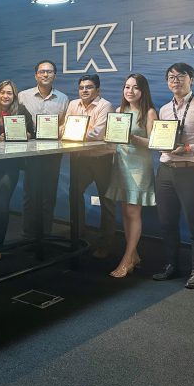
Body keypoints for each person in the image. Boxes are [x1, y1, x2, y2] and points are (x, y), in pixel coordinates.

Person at [152, 63, 194, 289]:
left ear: (192, 79)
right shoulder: (165, 109)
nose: (175, 80)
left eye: (180, 76)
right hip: (166, 171)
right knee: (167, 222)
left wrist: (187, 149)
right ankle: (171, 264)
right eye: (171, 77)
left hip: (192, 171)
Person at [104, 73, 157, 278]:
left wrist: (132, 137)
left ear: (142, 90)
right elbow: (114, 141)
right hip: (121, 165)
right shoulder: (119, 111)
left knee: (134, 213)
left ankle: (126, 260)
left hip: (139, 167)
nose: (130, 91)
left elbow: (154, 143)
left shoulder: (150, 112)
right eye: (127, 87)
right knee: (125, 211)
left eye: (135, 87)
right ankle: (133, 255)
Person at [0, 80, 34, 260]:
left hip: (9, 165)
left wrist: (24, 135)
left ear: (14, 95)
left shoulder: (22, 111)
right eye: (3, 92)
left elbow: (31, 133)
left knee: (2, 203)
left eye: (9, 93)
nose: (6, 96)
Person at [64, 74, 116, 259]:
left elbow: (96, 133)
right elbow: (63, 128)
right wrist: (74, 130)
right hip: (80, 159)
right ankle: (77, 236)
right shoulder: (73, 104)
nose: (84, 90)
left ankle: (106, 243)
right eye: (82, 87)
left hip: (102, 159)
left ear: (98, 90)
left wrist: (75, 130)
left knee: (106, 201)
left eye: (89, 87)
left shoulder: (105, 106)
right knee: (74, 194)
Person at [18, 60, 69, 238]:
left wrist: (60, 131)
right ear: (36, 75)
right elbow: (16, 121)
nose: (45, 75)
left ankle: (45, 233)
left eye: (49, 72)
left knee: (49, 194)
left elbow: (65, 125)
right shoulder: (23, 96)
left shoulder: (63, 98)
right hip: (30, 152)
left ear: (55, 75)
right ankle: (28, 234)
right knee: (30, 193)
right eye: (41, 72)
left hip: (53, 154)